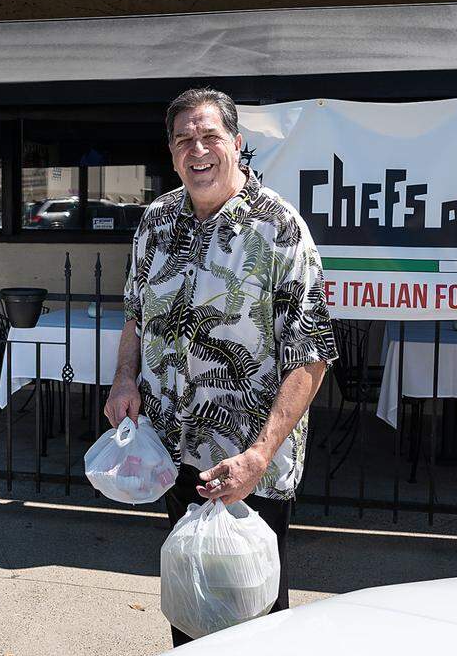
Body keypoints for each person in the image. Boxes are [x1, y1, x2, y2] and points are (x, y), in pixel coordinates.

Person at [105, 87, 337, 646]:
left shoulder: (280, 230)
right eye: (185, 139)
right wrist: (124, 376)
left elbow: (312, 354)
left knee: (253, 618)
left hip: (248, 467)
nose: (198, 149)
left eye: (210, 136)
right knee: (190, 606)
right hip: (173, 455)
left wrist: (259, 456)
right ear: (172, 151)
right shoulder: (155, 221)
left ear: (236, 143)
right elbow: (136, 312)